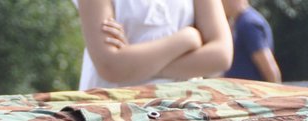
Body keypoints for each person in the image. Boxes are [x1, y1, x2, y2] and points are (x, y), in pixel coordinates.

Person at [74, 0, 232, 89]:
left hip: (182, 113)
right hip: (114, 117)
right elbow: (110, 66)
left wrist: (133, 66)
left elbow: (221, 55)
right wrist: (186, 39)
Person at [221, 0, 282, 82]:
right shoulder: (239, 22)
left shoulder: (249, 24)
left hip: (249, 91)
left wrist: (275, 91)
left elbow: (269, 68)